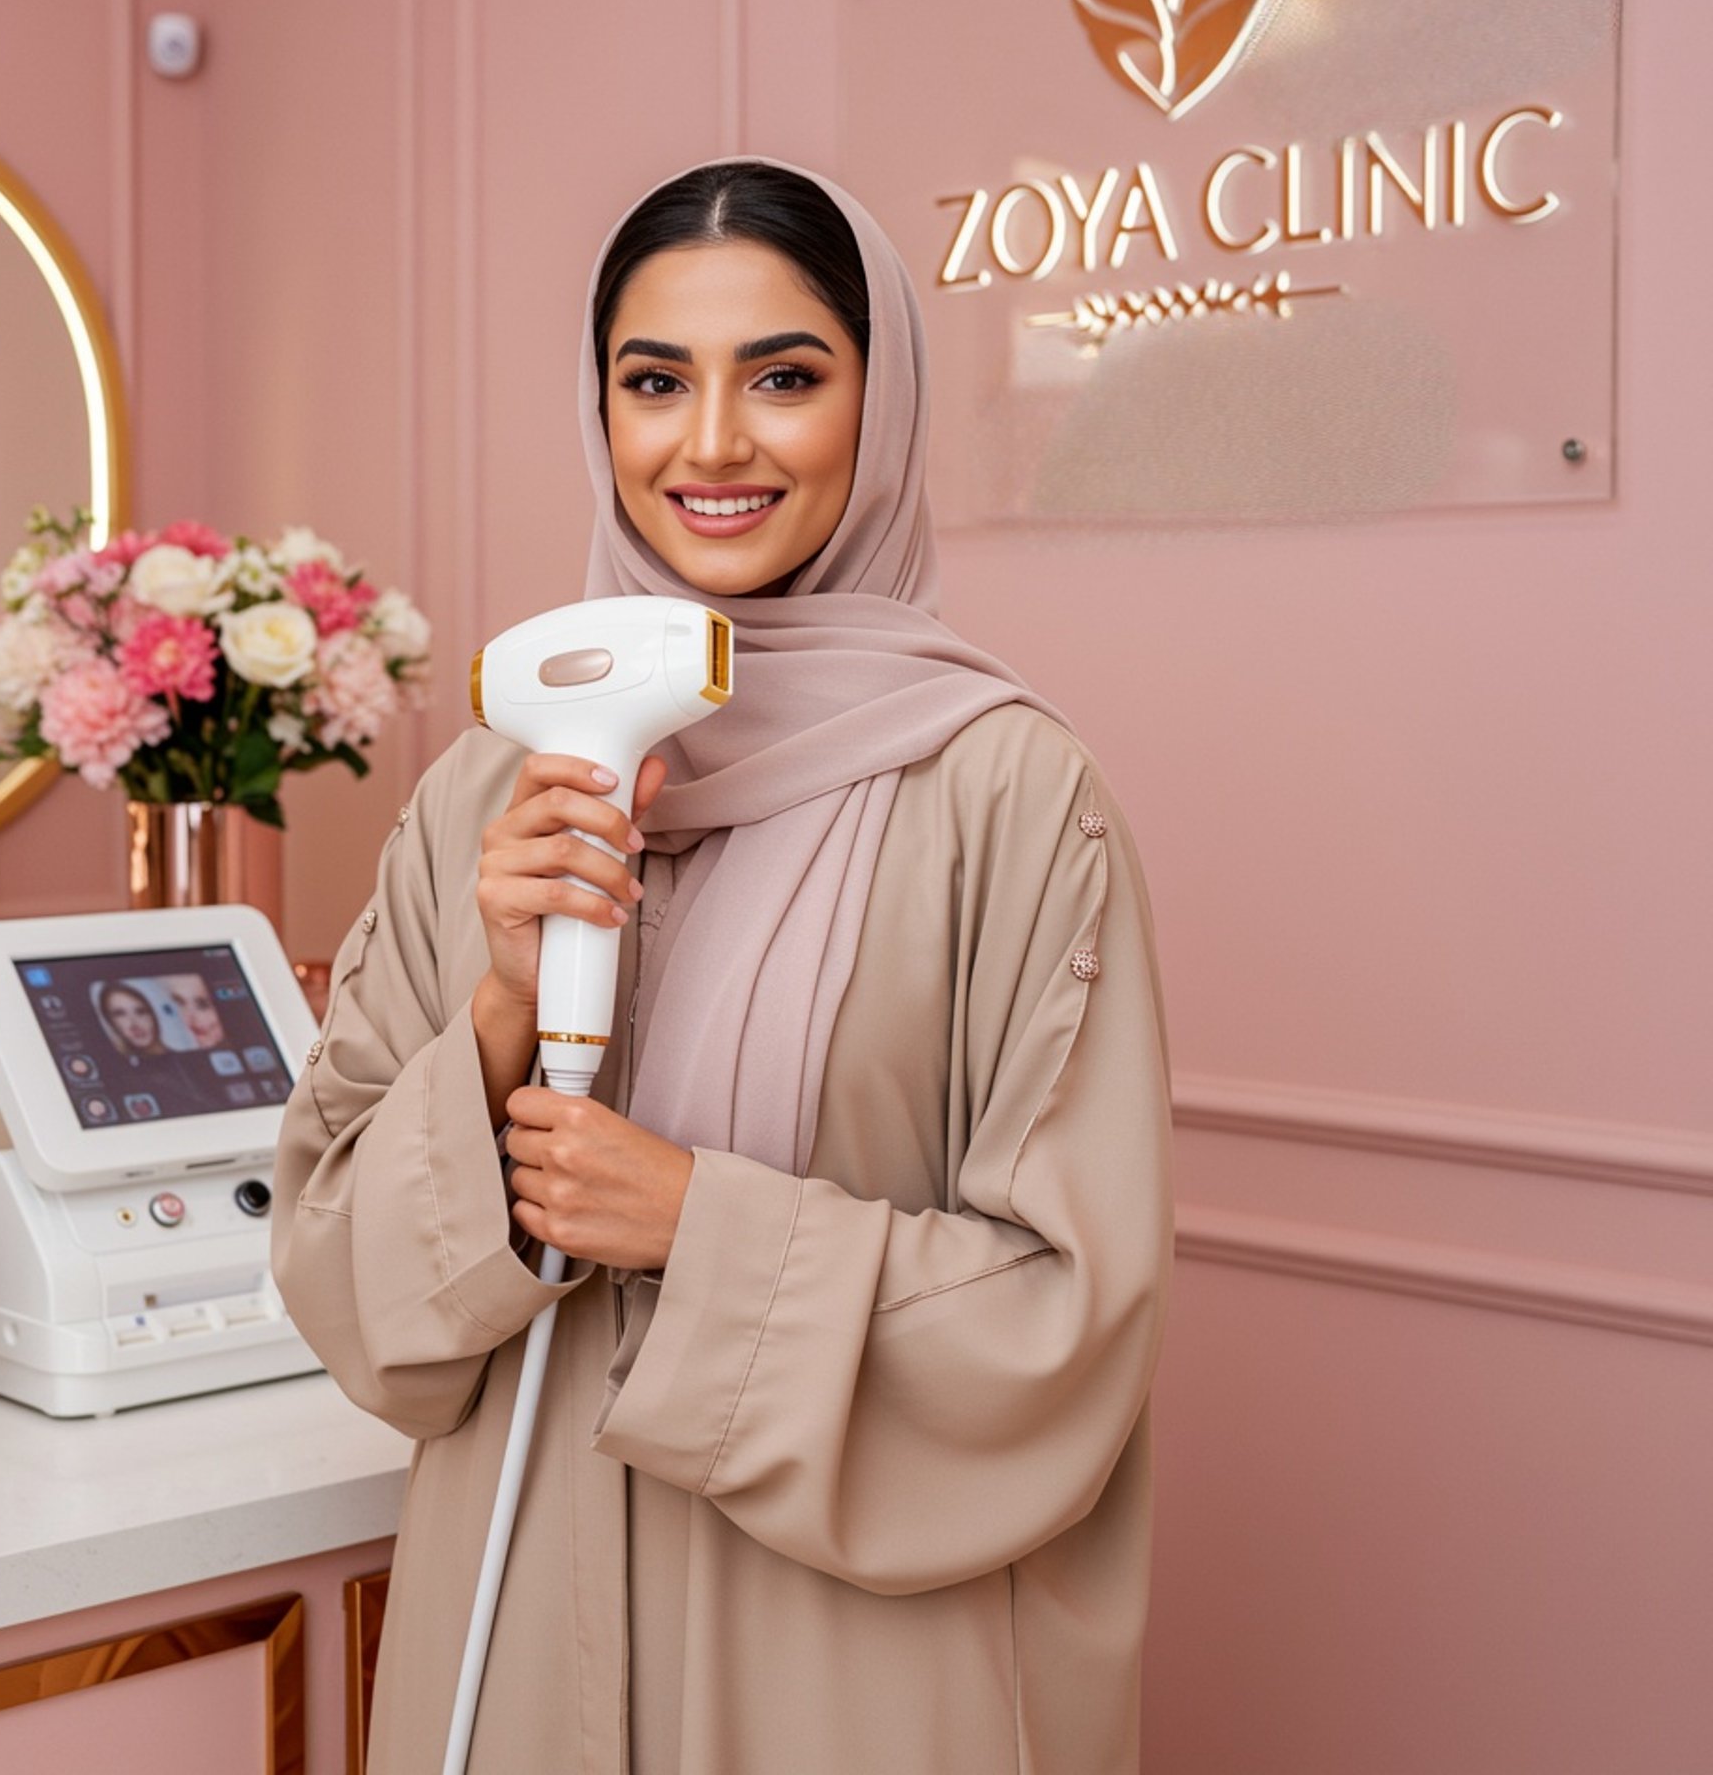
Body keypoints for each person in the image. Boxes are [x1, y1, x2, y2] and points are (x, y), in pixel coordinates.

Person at [272, 156, 1173, 1774]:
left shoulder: (1008, 796)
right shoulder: (492, 786)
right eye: (654, 383)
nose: (711, 445)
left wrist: (699, 1225)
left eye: (784, 378)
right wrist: (495, 1015)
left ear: (878, 410)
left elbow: (1073, 1325)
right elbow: (342, 1286)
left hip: (840, 1673)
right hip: (514, 1639)